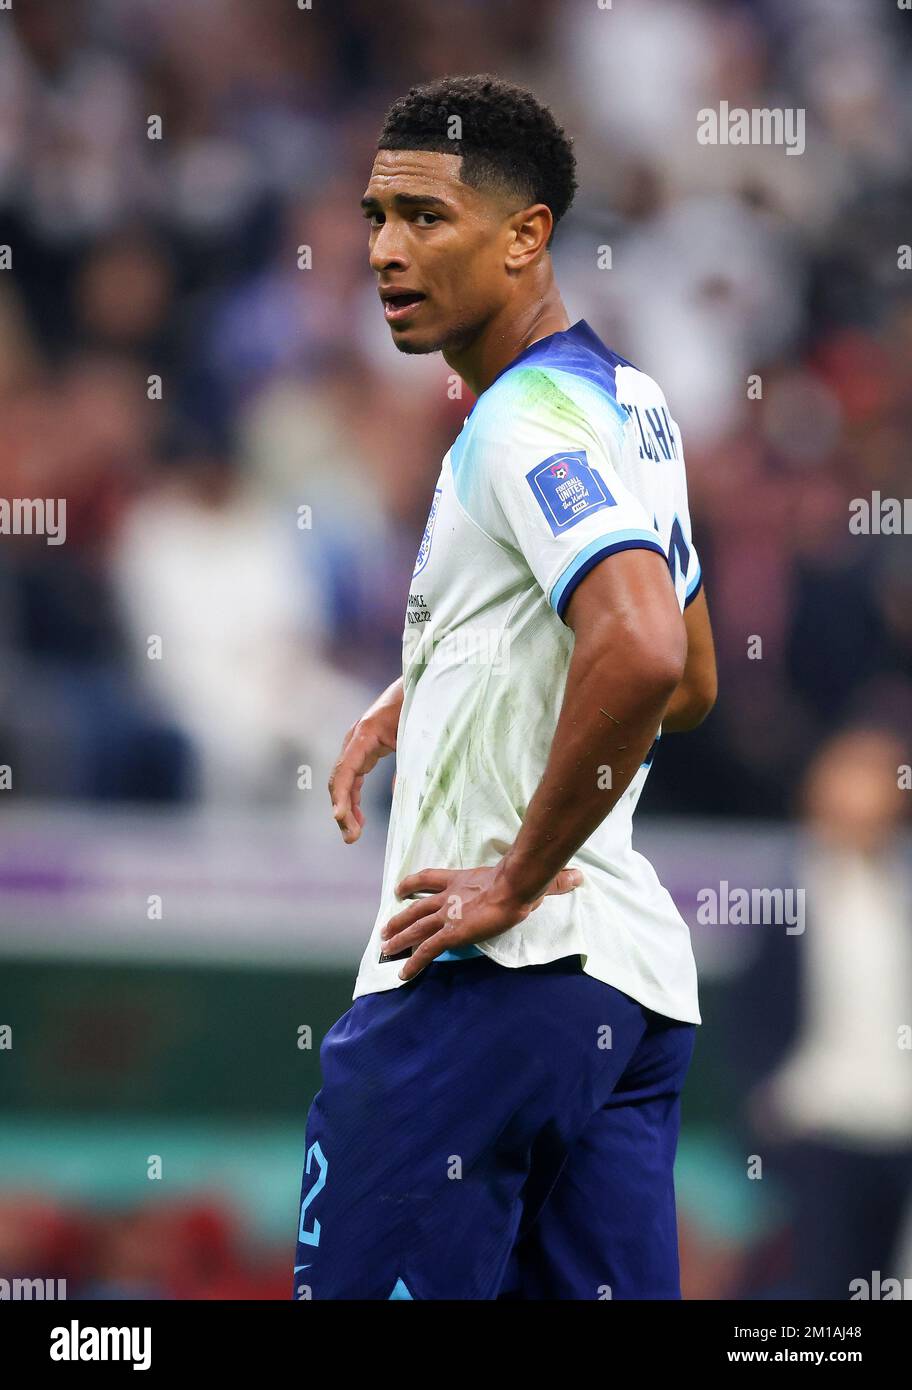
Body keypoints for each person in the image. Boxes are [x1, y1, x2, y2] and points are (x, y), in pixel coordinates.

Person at [292, 74, 716, 1301]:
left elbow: (638, 651)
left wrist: (517, 874)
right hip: (623, 993)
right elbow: (690, 676)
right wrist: (434, 683)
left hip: (480, 988)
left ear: (527, 235)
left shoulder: (521, 421)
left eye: (426, 218)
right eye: (374, 216)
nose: (384, 250)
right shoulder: (628, 403)